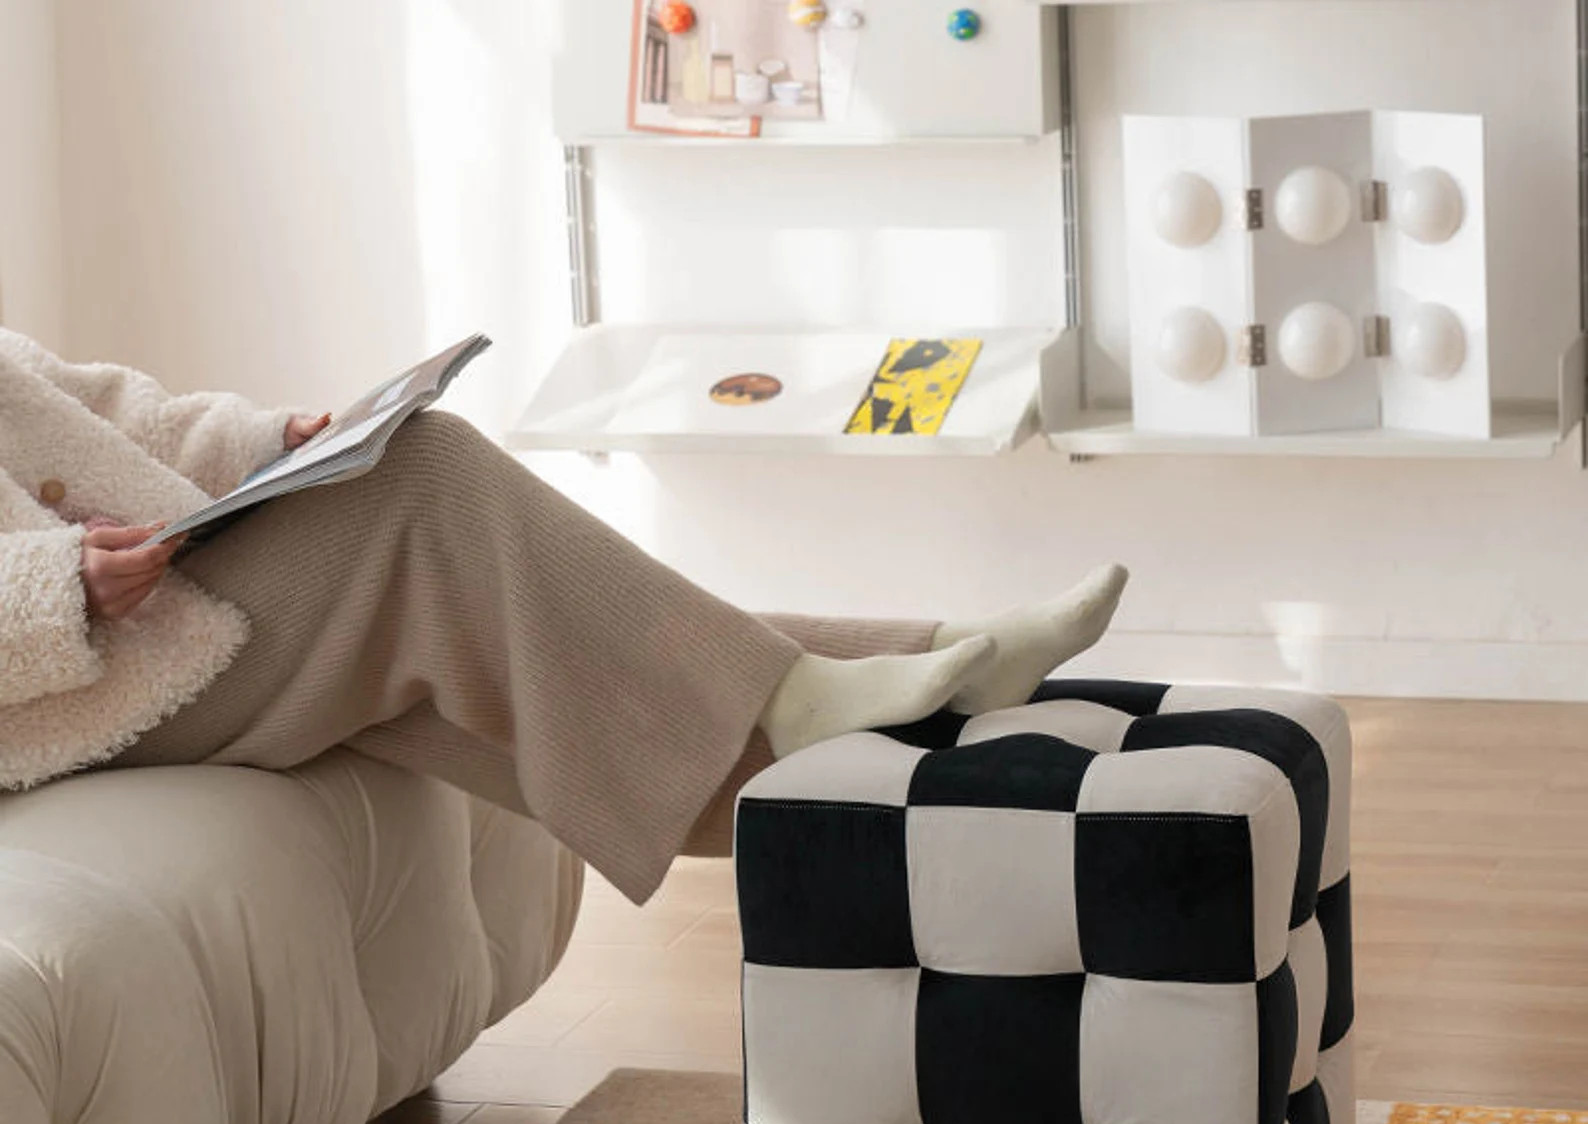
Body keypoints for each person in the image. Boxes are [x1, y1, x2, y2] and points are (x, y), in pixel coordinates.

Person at [0, 326, 1128, 903]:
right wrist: (59, 590)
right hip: (61, 687)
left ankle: (937, 665)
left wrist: (265, 438)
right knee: (426, 481)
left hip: (137, 612)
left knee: (486, 632)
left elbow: (101, 409)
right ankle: (810, 694)